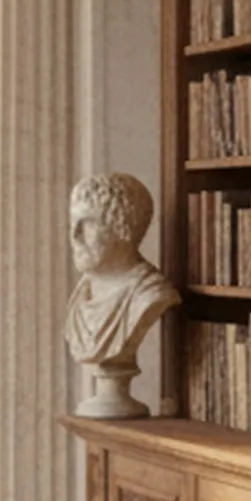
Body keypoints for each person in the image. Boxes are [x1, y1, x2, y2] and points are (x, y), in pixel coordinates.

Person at [64, 171, 178, 416]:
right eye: (72, 223)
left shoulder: (151, 295)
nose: (75, 236)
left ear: (123, 227)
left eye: (86, 223)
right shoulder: (82, 293)